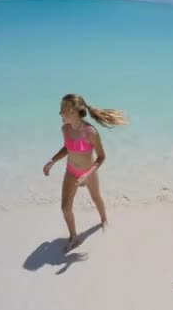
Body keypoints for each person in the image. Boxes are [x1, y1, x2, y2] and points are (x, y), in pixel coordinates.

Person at [43, 93, 127, 252]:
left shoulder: (90, 132)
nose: (59, 113)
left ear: (73, 111)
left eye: (62, 110)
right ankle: (73, 236)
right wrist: (52, 161)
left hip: (88, 173)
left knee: (96, 199)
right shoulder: (65, 128)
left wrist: (87, 175)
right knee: (65, 207)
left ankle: (104, 220)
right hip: (71, 171)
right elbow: (68, 148)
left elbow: (101, 157)